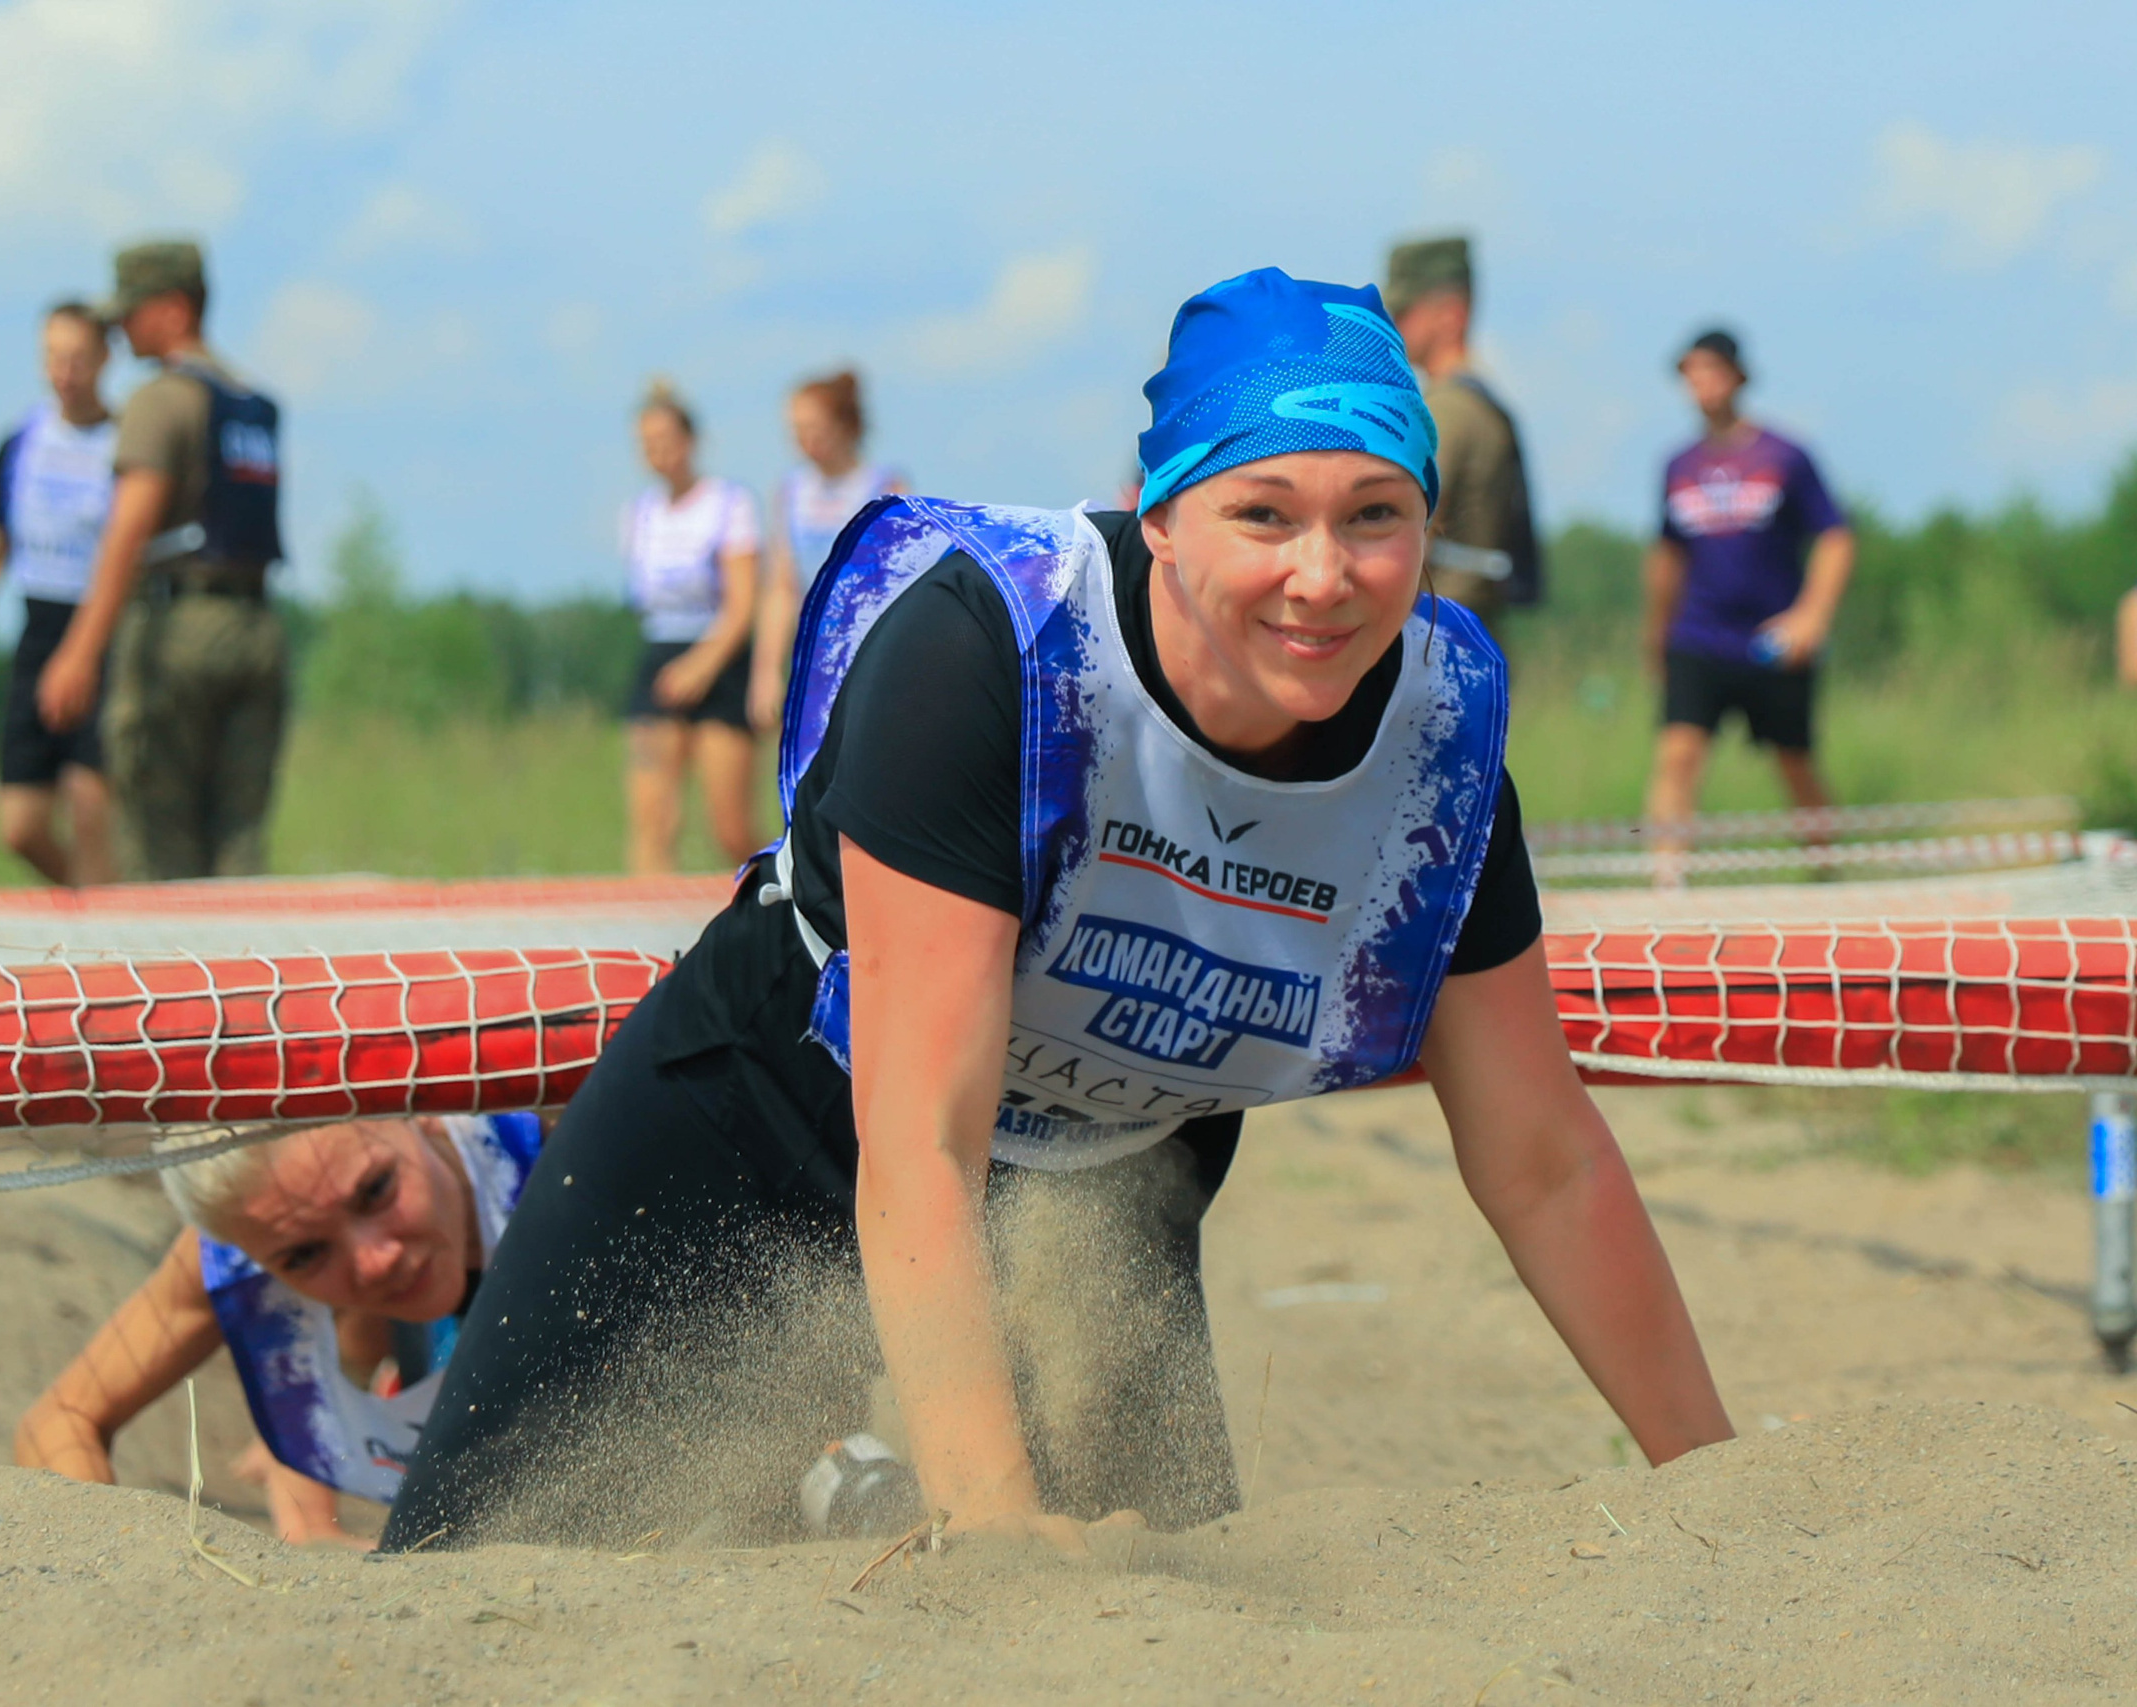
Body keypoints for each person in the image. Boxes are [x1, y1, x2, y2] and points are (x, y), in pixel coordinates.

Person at [380, 268, 1734, 1554]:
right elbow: (920, 1140)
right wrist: (999, 1533)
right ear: (1156, 509)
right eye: (1263, 513)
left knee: (1159, 1604)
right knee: (474, 1560)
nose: (1323, 574)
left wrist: (1724, 1483)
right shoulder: (995, 649)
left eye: (1375, 514)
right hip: (786, 1096)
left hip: (1103, 1176)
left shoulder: (1436, 750)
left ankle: (847, 1489)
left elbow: (1546, 1159)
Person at [16, 1113, 542, 1547]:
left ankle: (299, 1443)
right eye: (304, 1253)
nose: (375, 1259)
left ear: (421, 1111)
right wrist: (122, 1575)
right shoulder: (249, 1232)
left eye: (376, 1190)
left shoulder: (544, 1134)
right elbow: (60, 1419)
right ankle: (299, 1462)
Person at [35, 240, 287, 880]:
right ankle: (252, 973)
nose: (118, 330)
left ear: (174, 311)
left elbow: (129, 530)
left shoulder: (161, 400)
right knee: (239, 838)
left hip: (178, 638)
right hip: (258, 631)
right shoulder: (250, 404)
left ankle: (179, 974)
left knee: (158, 841)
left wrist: (79, 652)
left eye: (131, 311)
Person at [0, 303, 119, 886]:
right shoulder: (21, 443)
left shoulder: (125, 442)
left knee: (90, 802)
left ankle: (118, 947)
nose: (66, 372)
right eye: (55, 358)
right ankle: (92, 907)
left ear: (105, 359)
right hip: (38, 629)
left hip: (106, 633)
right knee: (20, 826)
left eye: (79, 358)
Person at [1642, 329, 1856, 857]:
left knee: (1794, 762)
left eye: (1712, 370)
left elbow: (1835, 536)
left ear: (1738, 376)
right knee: (1677, 755)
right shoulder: (1679, 465)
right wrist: (1656, 632)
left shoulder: (1785, 455)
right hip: (1699, 635)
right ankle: (1665, 887)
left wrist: (1812, 616)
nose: (1703, 385)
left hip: (1771, 641)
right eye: (1692, 373)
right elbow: (1667, 554)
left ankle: (1829, 873)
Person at [620, 381, 760, 873]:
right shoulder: (640, 514)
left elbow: (743, 605)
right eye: (647, 443)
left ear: (690, 441)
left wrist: (701, 665)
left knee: (729, 827)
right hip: (661, 653)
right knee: (651, 818)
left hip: (719, 658)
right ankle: (643, 936)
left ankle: (781, 915)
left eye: (666, 440)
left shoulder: (728, 503)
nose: (658, 453)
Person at [1382, 235, 1541, 644]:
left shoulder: (1446, 409)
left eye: (1403, 311)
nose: (1391, 325)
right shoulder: (1480, 403)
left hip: (1434, 635)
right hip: (1467, 627)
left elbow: (1412, 520)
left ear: (1450, 314)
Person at [747, 371, 905, 730]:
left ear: (845, 424)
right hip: (817, 655)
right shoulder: (789, 493)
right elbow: (782, 588)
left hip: (875, 652)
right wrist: (767, 671)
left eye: (815, 427)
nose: (807, 439)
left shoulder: (886, 485)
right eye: (797, 429)